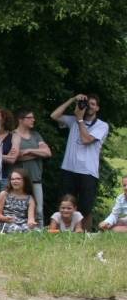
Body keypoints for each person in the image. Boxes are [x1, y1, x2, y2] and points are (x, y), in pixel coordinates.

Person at [50, 94, 108, 232]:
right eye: (87, 103)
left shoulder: (102, 125)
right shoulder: (73, 120)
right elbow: (54, 115)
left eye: (93, 104)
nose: (89, 106)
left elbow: (86, 139)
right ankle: (60, 232)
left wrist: (80, 119)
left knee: (86, 207)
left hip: (88, 171)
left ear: (97, 108)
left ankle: (85, 235)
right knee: (64, 203)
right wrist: (72, 100)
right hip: (69, 169)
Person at [9, 108, 50, 220]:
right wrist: (38, 153)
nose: (33, 120)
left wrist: (29, 151)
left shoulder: (36, 135)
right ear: (21, 120)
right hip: (18, 180)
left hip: (36, 178)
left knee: (39, 210)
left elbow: (47, 152)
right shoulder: (12, 135)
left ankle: (40, 234)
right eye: (30, 117)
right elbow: (15, 157)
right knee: (18, 209)